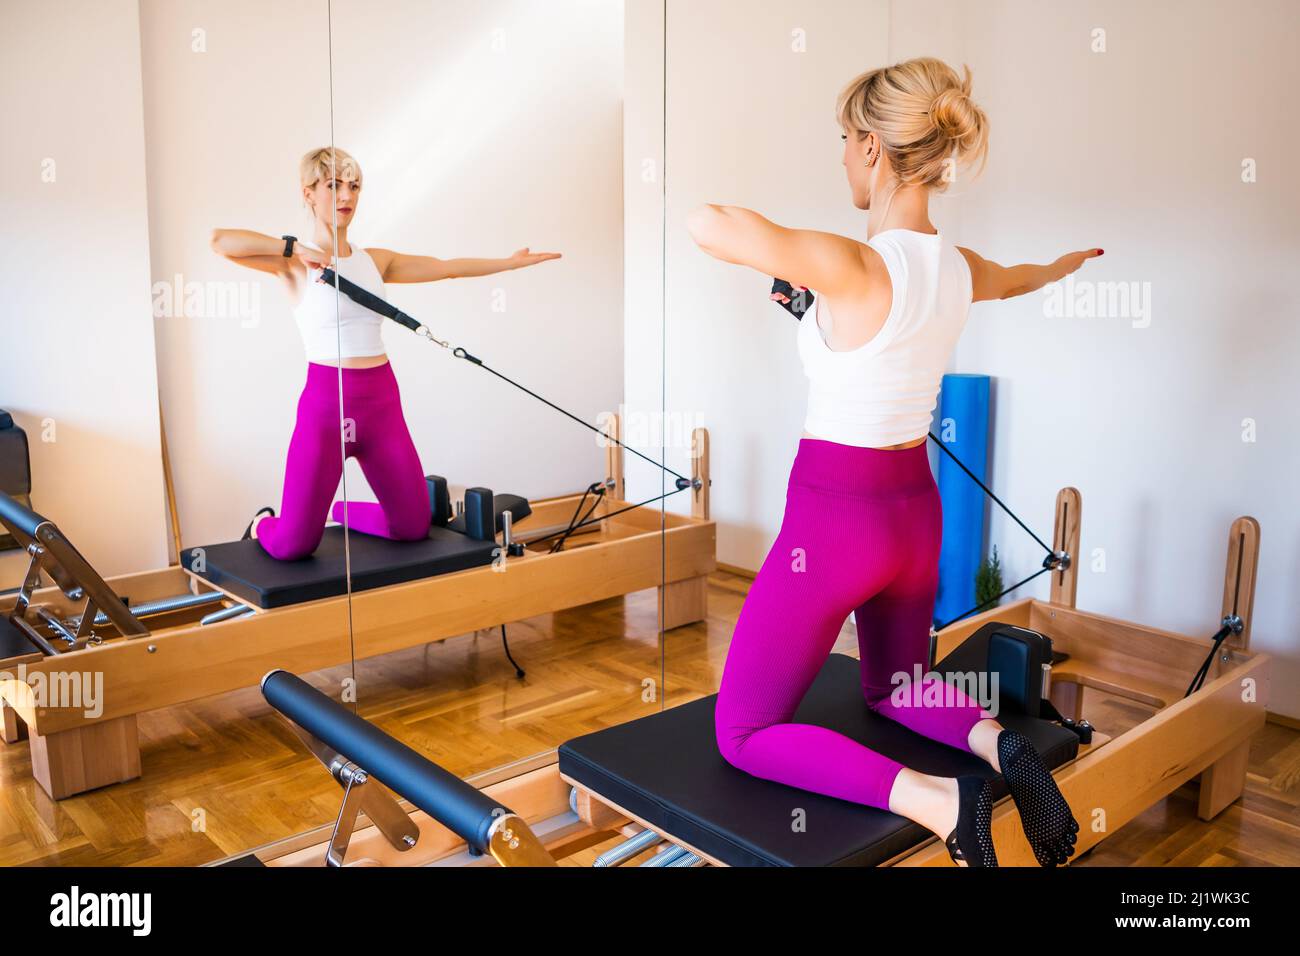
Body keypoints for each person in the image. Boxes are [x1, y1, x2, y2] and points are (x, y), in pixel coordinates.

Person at [687, 58, 1100, 866]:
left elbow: (706, 223)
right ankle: (994, 744)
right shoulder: (958, 269)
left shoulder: (854, 265)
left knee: (742, 731)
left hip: (834, 524)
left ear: (874, 148)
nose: (841, 156)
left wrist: (810, 260)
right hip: (915, 516)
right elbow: (1017, 281)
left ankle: (939, 799)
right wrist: (1061, 267)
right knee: (894, 685)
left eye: (845, 140)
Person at [210, 147, 560, 560]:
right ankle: (263, 524)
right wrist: (292, 248)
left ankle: (340, 510)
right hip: (327, 408)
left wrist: (508, 264)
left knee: (412, 527)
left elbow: (446, 266)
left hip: (381, 405)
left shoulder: (374, 261)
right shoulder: (293, 265)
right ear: (309, 193)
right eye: (334, 185)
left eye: (354, 186)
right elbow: (220, 242)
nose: (347, 196)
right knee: (292, 546)